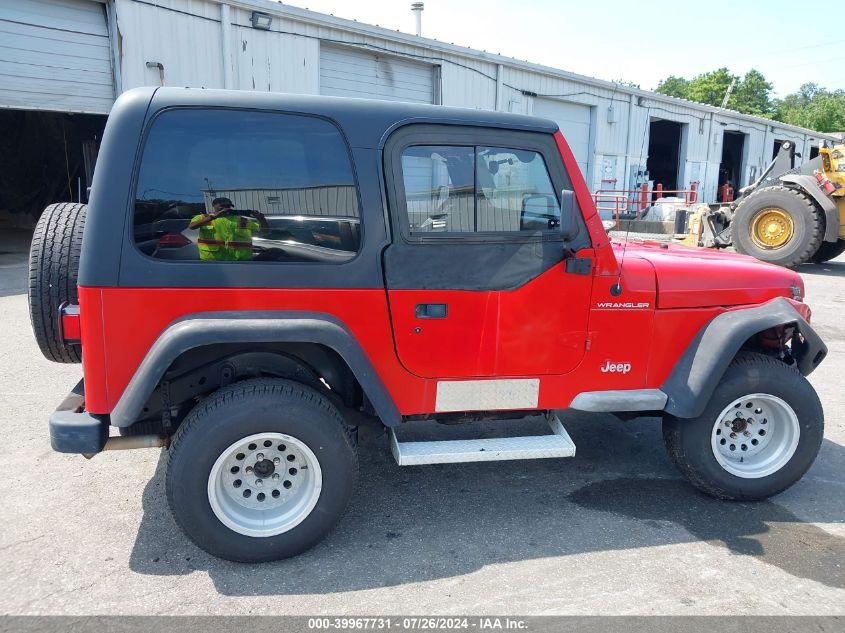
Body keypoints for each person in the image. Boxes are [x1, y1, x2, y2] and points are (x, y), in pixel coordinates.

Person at [189, 197, 269, 261]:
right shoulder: (203, 217)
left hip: (241, 262)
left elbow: (264, 231)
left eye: (228, 206)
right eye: (222, 206)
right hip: (213, 262)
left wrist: (261, 219)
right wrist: (213, 216)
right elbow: (192, 226)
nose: (226, 209)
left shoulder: (242, 220)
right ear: (213, 205)